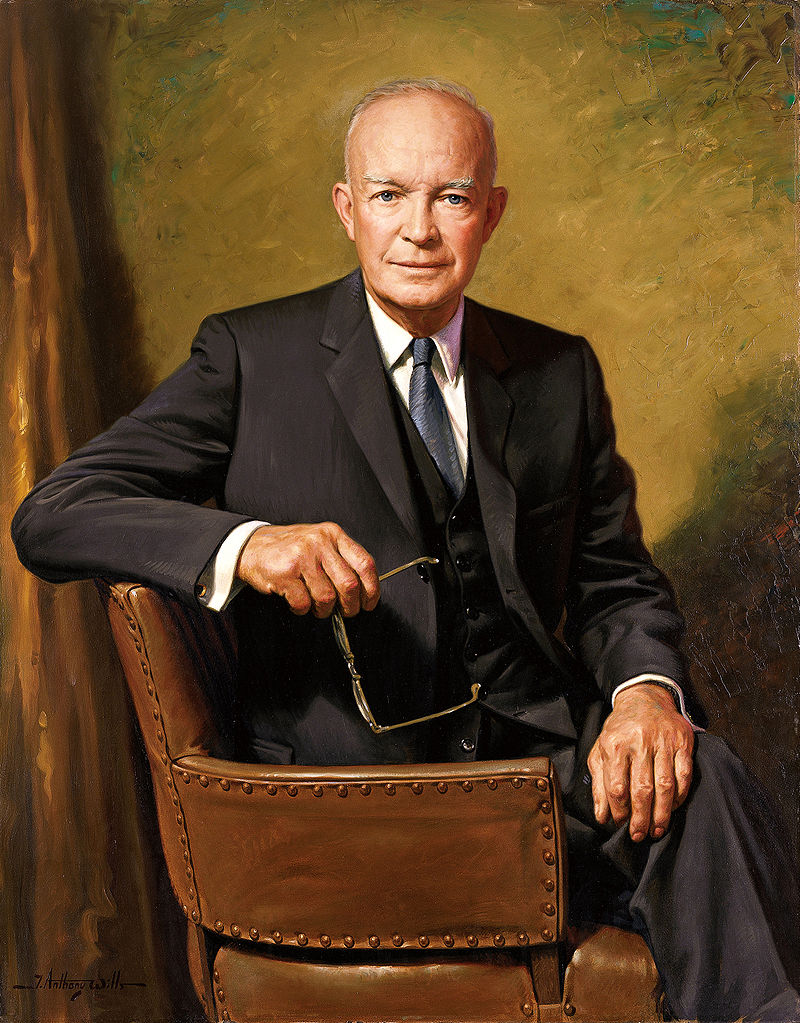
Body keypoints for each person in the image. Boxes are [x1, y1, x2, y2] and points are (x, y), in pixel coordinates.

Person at [11, 78, 800, 1021]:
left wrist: (640, 694)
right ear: (348, 209)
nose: (418, 230)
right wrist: (244, 541)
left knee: (701, 773)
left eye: (451, 197)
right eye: (389, 195)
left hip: (540, 773)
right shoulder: (249, 356)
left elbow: (612, 582)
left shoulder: (557, 372)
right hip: (358, 794)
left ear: (491, 214)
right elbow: (52, 513)